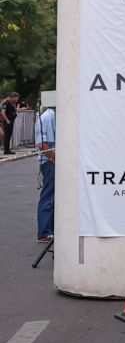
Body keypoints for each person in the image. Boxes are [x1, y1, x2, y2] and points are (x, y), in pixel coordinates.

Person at [33, 103, 56, 243]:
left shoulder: (51, 116)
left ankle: (49, 230)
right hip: (49, 162)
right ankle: (44, 232)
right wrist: (54, 158)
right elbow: (42, 144)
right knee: (48, 196)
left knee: (53, 197)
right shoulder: (48, 117)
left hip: (50, 160)